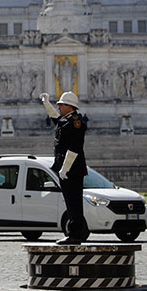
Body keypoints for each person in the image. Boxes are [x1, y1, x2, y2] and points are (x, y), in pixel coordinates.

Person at [40, 90, 89, 244]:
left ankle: (75, 234)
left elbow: (75, 147)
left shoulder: (75, 122)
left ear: (69, 106)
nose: (59, 107)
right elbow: (55, 118)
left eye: (61, 104)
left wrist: (65, 168)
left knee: (73, 202)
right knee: (70, 201)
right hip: (67, 168)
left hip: (72, 169)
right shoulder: (67, 120)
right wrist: (46, 104)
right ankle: (76, 233)